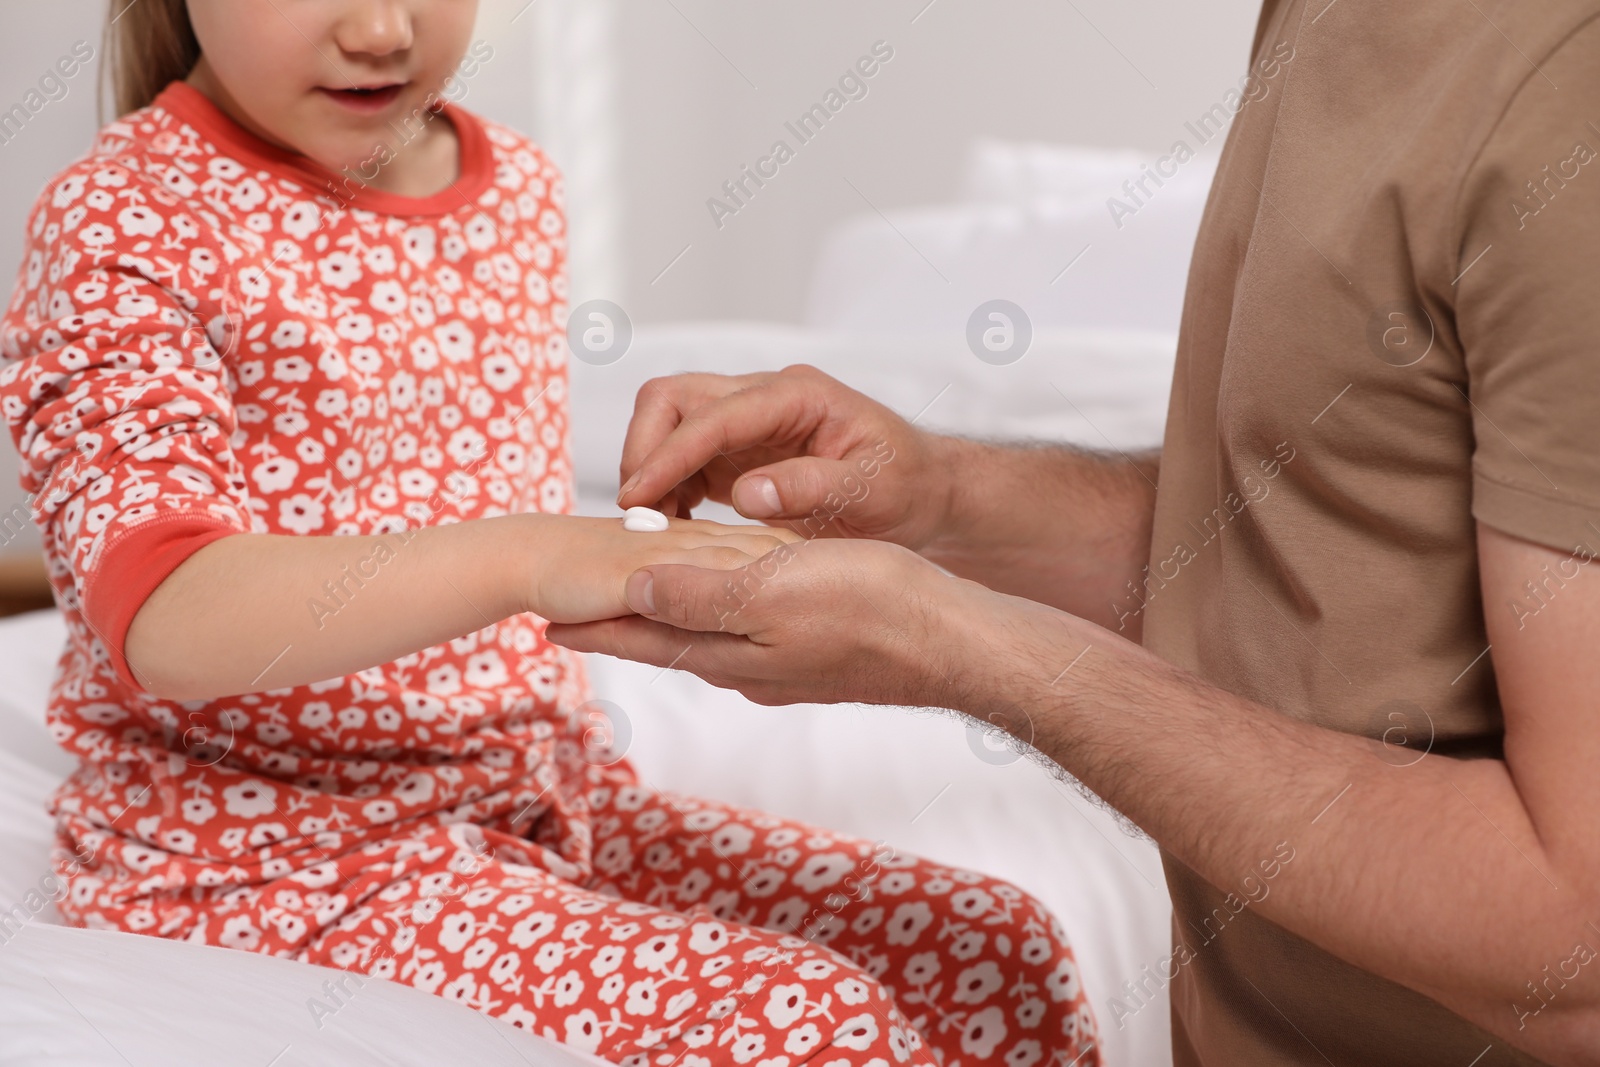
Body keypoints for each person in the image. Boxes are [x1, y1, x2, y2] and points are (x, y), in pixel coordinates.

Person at [0, 2, 1102, 1064]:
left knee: (996, 947)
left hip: (538, 802)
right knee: (798, 1016)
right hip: (269, 853)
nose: (382, 29)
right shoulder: (124, 214)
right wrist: (537, 552)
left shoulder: (513, 185)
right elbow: (162, 611)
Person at [559, 1, 1600, 1065]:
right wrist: (945, 496)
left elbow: (1577, 951)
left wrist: (967, 648)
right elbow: (1309, 558)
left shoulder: (1562, 91)